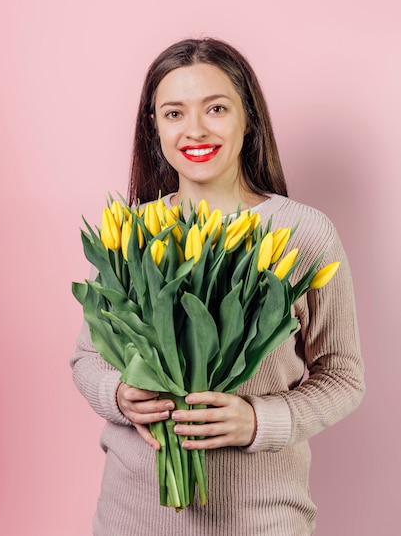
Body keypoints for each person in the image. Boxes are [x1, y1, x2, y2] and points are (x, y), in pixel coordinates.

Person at [71, 38, 365, 536]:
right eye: (173, 113)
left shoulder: (303, 233)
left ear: (248, 118)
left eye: (216, 108)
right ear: (154, 128)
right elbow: (87, 359)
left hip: (261, 521)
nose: (196, 130)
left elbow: (343, 375)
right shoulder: (130, 233)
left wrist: (259, 421)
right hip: (129, 519)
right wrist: (118, 395)